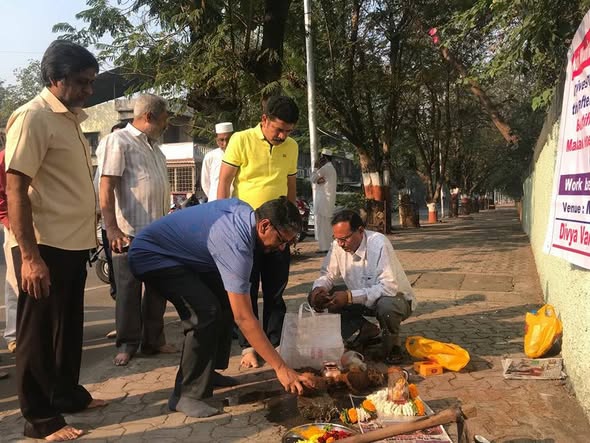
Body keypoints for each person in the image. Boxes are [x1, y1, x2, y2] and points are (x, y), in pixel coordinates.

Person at [5, 39, 106, 441]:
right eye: (82, 82)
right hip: (43, 245)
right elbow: (15, 188)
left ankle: (66, 395)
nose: (88, 90)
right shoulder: (33, 117)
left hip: (72, 243)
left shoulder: (70, 119)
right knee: (37, 333)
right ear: (56, 79)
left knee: (67, 326)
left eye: (91, 81)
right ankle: (40, 419)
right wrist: (30, 258)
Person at [128, 197, 310, 417]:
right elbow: (244, 318)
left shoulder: (245, 214)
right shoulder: (235, 244)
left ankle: (205, 374)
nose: (281, 248)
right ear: (264, 226)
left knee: (224, 302)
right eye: (281, 240)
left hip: (183, 256)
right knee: (204, 313)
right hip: (151, 255)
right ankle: (185, 394)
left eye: (288, 243)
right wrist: (281, 368)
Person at [217, 96, 299, 369]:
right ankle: (248, 346)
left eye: (288, 131)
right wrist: (221, 220)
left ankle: (274, 344)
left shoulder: (291, 147)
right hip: (246, 231)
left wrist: (291, 227)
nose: (283, 136)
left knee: (276, 290)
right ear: (264, 119)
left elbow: (290, 186)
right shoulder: (241, 140)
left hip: (278, 231)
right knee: (246, 289)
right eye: (279, 129)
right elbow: (224, 182)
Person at [97, 94, 176, 367]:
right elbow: (106, 187)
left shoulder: (156, 149)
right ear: (149, 117)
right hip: (128, 232)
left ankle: (153, 341)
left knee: (157, 289)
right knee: (128, 291)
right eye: (164, 120)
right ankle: (127, 344)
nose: (166, 125)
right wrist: (111, 228)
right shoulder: (119, 141)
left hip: (158, 232)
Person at [308, 209, 417, 364]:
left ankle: (392, 346)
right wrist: (319, 289)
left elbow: (388, 287)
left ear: (360, 231)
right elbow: (328, 274)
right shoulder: (338, 245)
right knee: (319, 298)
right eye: (336, 239)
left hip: (396, 300)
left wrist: (349, 297)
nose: (340, 244)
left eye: (344, 239)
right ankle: (365, 329)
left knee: (386, 306)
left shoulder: (378, 243)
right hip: (362, 300)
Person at [94, 121, 127, 301]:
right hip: (111, 227)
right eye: (113, 136)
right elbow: (97, 192)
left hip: (130, 226)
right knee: (116, 269)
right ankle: (118, 297)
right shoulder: (103, 167)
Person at [0, 149, 17, 354]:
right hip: (15, 226)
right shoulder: (5, 157)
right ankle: (14, 335)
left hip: (47, 225)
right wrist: (10, 222)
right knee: (14, 283)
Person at [311, 148, 337, 253]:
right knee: (327, 225)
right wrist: (318, 180)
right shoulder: (331, 168)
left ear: (324, 158)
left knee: (322, 225)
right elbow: (317, 180)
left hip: (323, 201)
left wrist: (315, 167)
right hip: (328, 201)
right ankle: (329, 246)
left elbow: (313, 178)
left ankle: (324, 247)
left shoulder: (325, 168)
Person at [201, 122, 233, 201]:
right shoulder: (210, 156)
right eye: (221, 140)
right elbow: (205, 183)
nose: (225, 143)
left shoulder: (240, 155)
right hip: (215, 200)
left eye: (228, 139)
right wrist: (213, 196)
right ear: (217, 140)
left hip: (235, 201)